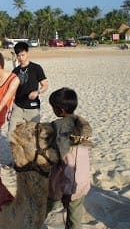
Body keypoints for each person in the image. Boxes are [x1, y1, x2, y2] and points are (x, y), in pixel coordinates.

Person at [46, 87, 93, 229]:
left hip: (63, 179)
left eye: (53, 107)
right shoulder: (82, 124)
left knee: (47, 204)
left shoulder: (57, 126)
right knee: (74, 217)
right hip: (82, 180)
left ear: (60, 110)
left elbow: (56, 152)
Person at [8, 41, 48, 133]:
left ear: (27, 53)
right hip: (17, 107)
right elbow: (12, 91)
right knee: (12, 133)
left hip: (33, 108)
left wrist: (37, 92)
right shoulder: (15, 71)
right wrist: (10, 108)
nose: (21, 58)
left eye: (23, 55)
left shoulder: (36, 68)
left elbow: (45, 85)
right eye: (18, 56)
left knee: (33, 136)